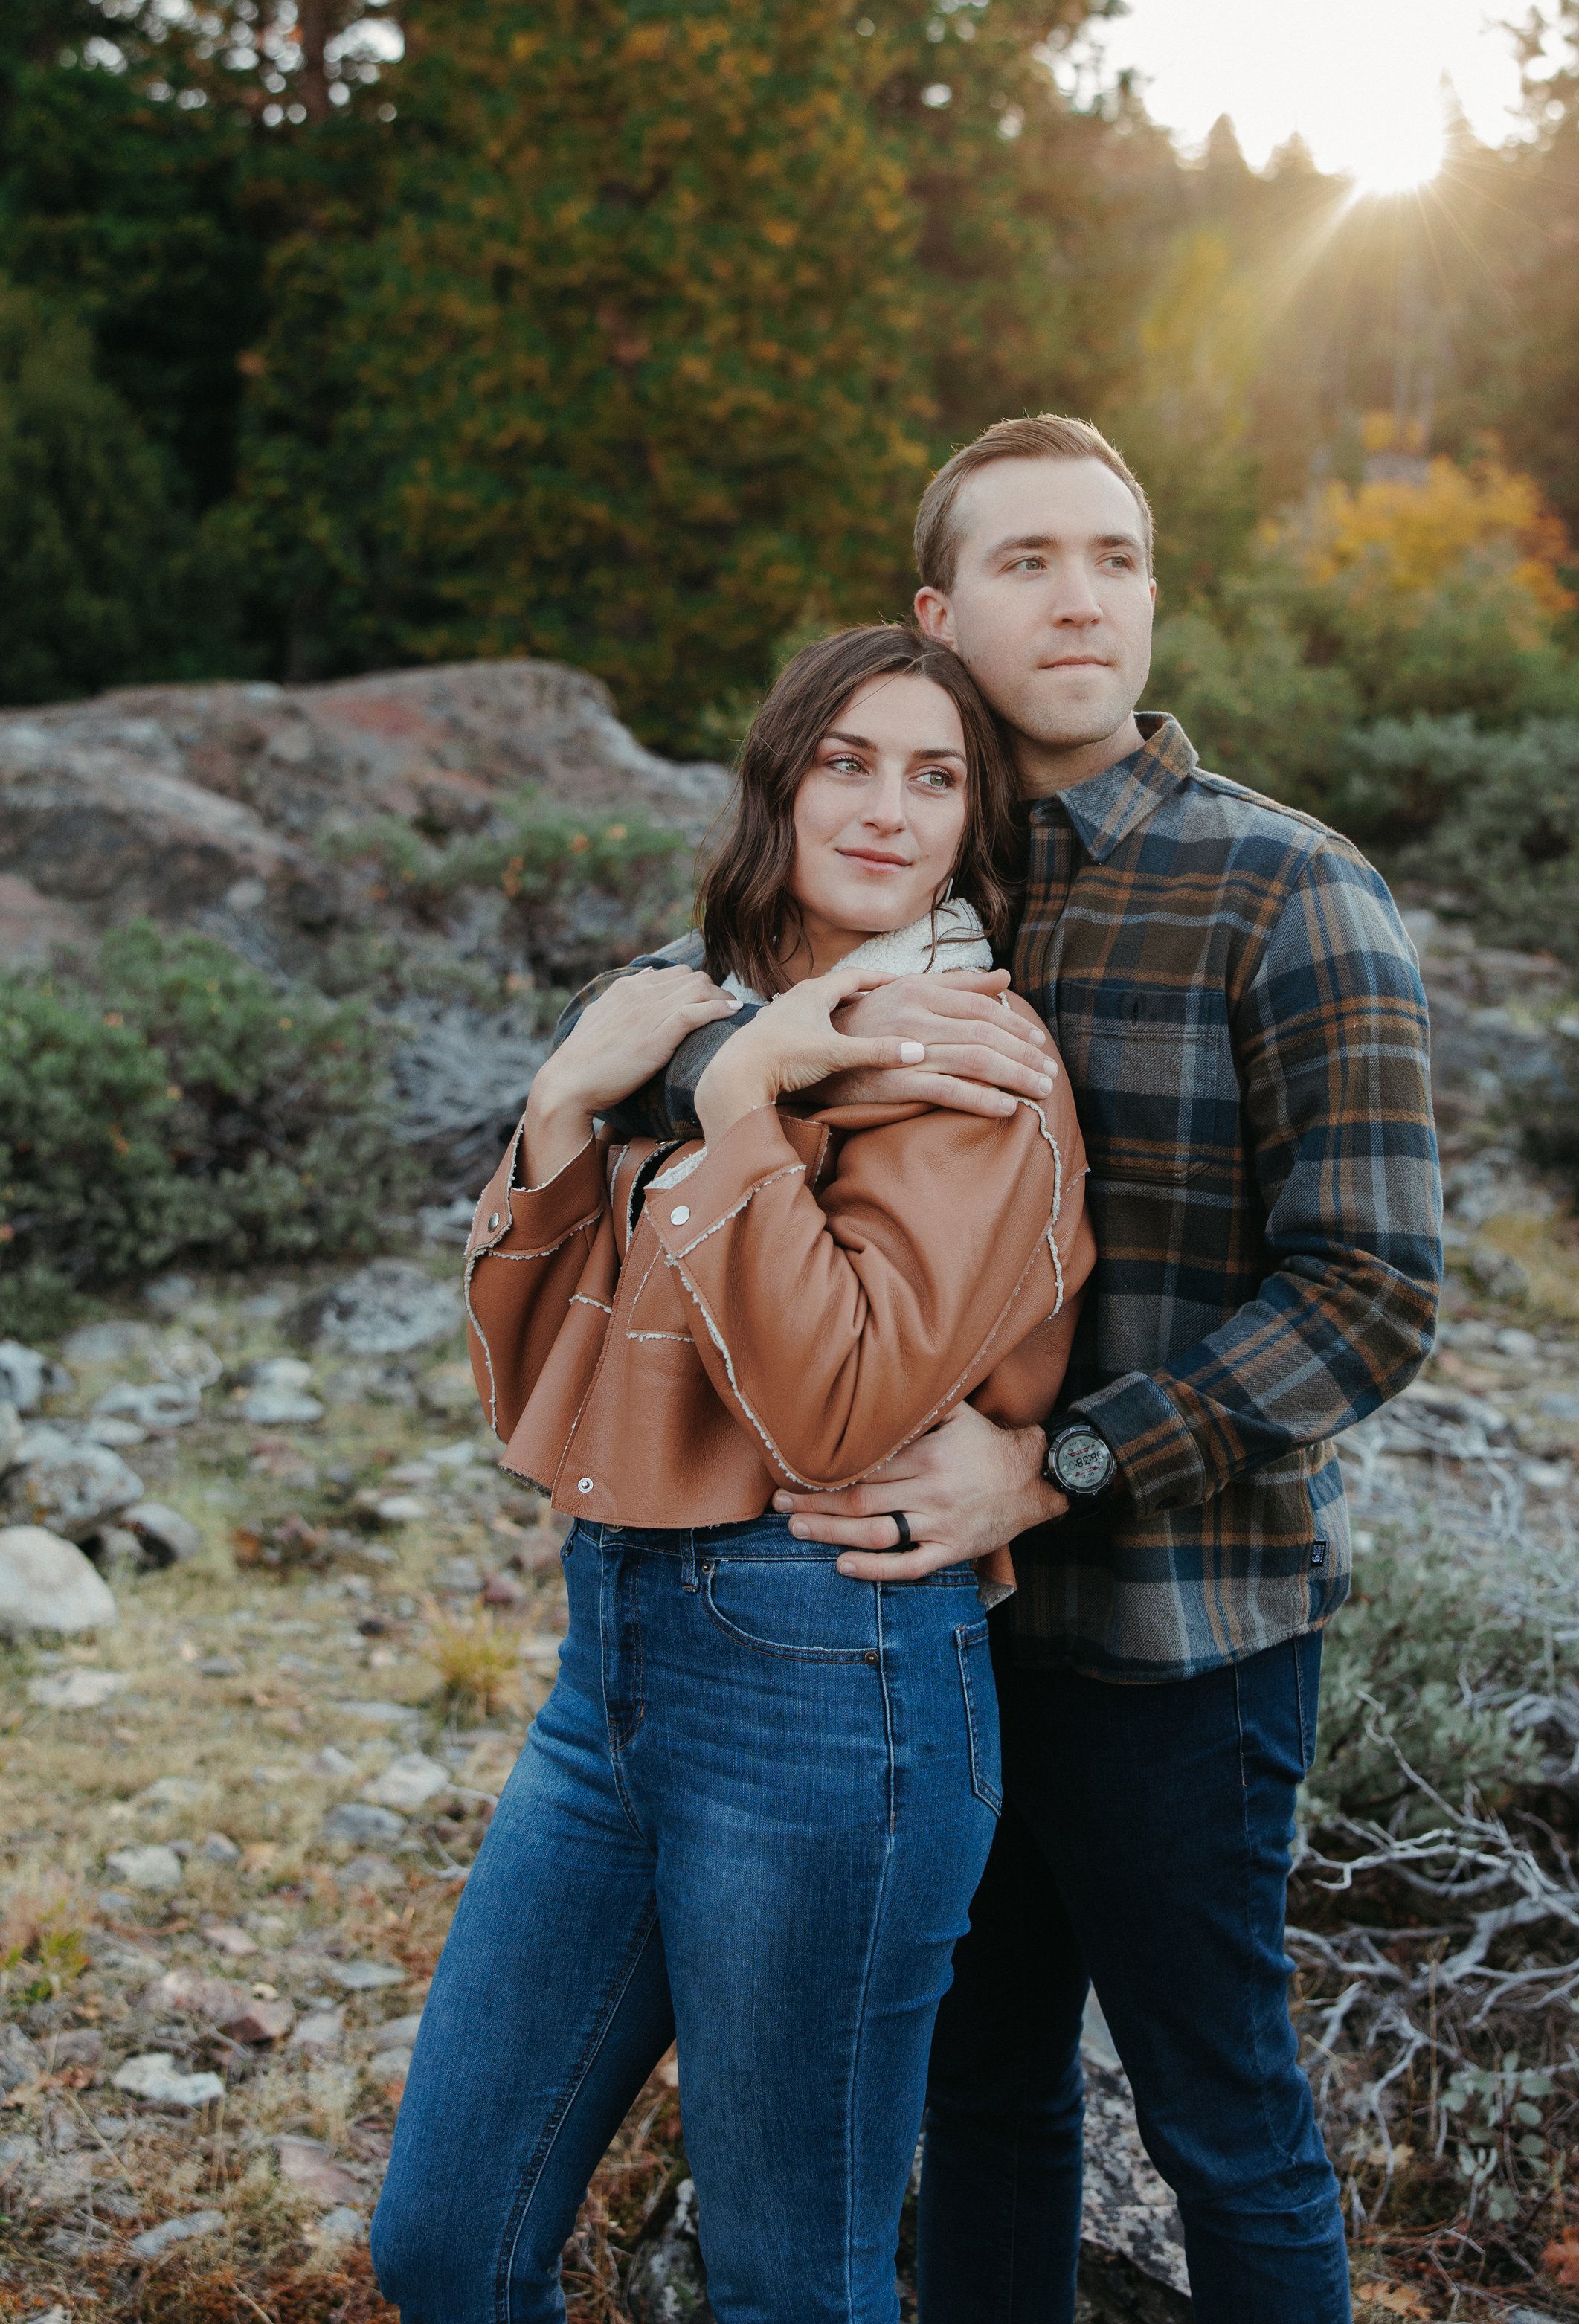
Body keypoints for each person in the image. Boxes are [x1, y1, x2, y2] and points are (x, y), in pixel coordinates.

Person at [641, 417, 1443, 2323]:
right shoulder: (900, 872)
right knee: (977, 2091)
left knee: (1219, 2110)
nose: (1078, 595)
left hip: (1180, 1640)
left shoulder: (1285, 889)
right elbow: (704, 1069)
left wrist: (1054, 1463)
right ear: (936, 609)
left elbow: (1372, 1290)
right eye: (1022, 562)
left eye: (1115, 556)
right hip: (921, 1639)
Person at [370, 624, 1094, 2324]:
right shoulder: (675, 1005)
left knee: (790, 2284)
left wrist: (738, 1105)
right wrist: (575, 1093)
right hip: (609, 1668)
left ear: (971, 820)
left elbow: (832, 1402)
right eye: (847, 759)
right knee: (445, 2246)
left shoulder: (971, 1063)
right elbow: (528, 1357)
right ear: (776, 780)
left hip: (830, 1683)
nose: (885, 808)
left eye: (935, 777)